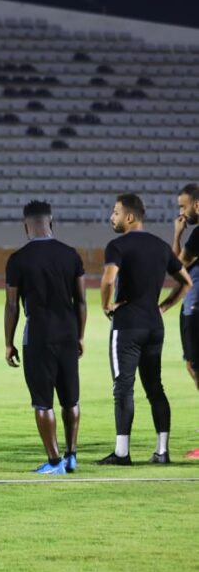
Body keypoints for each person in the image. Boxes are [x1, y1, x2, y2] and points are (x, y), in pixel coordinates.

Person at [99, 193, 191, 465]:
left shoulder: (117, 246)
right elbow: (186, 281)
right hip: (154, 325)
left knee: (123, 388)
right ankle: (162, 451)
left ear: (129, 217)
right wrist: (162, 307)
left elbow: (108, 279)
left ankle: (122, 453)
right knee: (155, 388)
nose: (111, 217)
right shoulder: (161, 246)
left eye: (115, 212)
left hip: (127, 325)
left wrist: (107, 305)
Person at [4, 201, 87, 474]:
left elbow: (12, 306)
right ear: (51, 223)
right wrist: (81, 336)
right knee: (71, 399)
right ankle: (72, 455)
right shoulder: (71, 255)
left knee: (43, 402)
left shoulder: (18, 259)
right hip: (68, 333)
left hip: (38, 335)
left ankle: (54, 462)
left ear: (26, 226)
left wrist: (8, 343)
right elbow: (82, 301)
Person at [173, 184, 199, 459]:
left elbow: (177, 267)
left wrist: (177, 234)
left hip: (195, 310)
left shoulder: (198, 235)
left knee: (195, 368)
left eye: (183, 206)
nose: (181, 212)